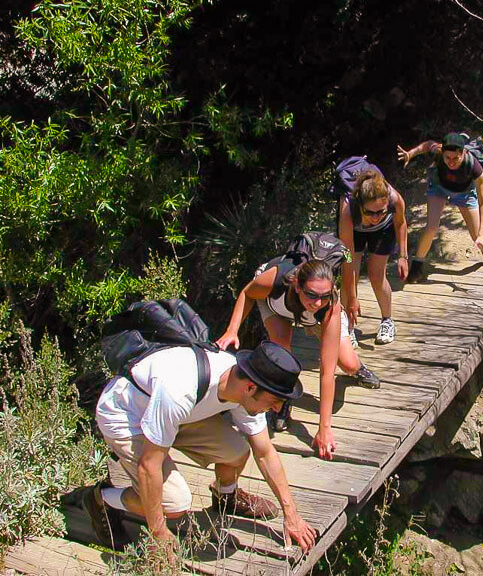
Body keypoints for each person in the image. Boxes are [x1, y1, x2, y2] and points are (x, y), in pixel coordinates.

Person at [85, 340, 318, 555]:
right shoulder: (180, 390)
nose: (278, 409)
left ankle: (226, 497)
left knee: (236, 450)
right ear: (249, 388)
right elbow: (149, 466)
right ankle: (102, 498)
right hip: (127, 417)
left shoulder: (243, 384)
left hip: (176, 417)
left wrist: (292, 514)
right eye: (275, 401)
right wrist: (159, 532)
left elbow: (265, 452)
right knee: (174, 503)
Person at [216, 258, 380, 460]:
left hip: (315, 317)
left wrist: (324, 428)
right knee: (281, 354)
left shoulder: (329, 307)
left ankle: (358, 369)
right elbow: (247, 293)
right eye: (311, 294)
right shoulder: (273, 281)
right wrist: (232, 331)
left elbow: (327, 372)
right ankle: (281, 401)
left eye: (324, 295)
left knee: (347, 363)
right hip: (278, 307)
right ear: (297, 285)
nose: (317, 301)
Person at [397, 132, 483, 282]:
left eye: (456, 158)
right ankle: (417, 264)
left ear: (464, 153)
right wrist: (411, 154)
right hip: (439, 188)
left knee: (477, 235)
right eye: (448, 158)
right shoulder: (439, 151)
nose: (451, 162)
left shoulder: (474, 167)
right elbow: (428, 145)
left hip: (464, 193)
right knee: (432, 227)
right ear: (443, 153)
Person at [338, 168, 408, 346]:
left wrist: (403, 256)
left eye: (381, 211)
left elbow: (400, 223)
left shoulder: (394, 198)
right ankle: (349, 327)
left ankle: (387, 320)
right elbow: (347, 258)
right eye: (370, 212)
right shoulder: (348, 208)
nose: (376, 216)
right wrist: (353, 298)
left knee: (377, 276)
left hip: (383, 232)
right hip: (354, 231)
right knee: (350, 278)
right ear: (361, 205)